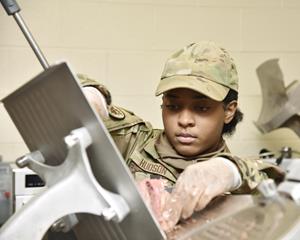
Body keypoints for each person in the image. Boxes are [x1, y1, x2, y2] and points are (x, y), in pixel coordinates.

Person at [79, 41, 284, 232]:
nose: (184, 120)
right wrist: (91, 94)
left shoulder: (236, 182)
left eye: (202, 108)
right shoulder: (134, 141)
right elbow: (65, 89)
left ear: (229, 111)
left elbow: (283, 188)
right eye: (173, 106)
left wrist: (231, 170)